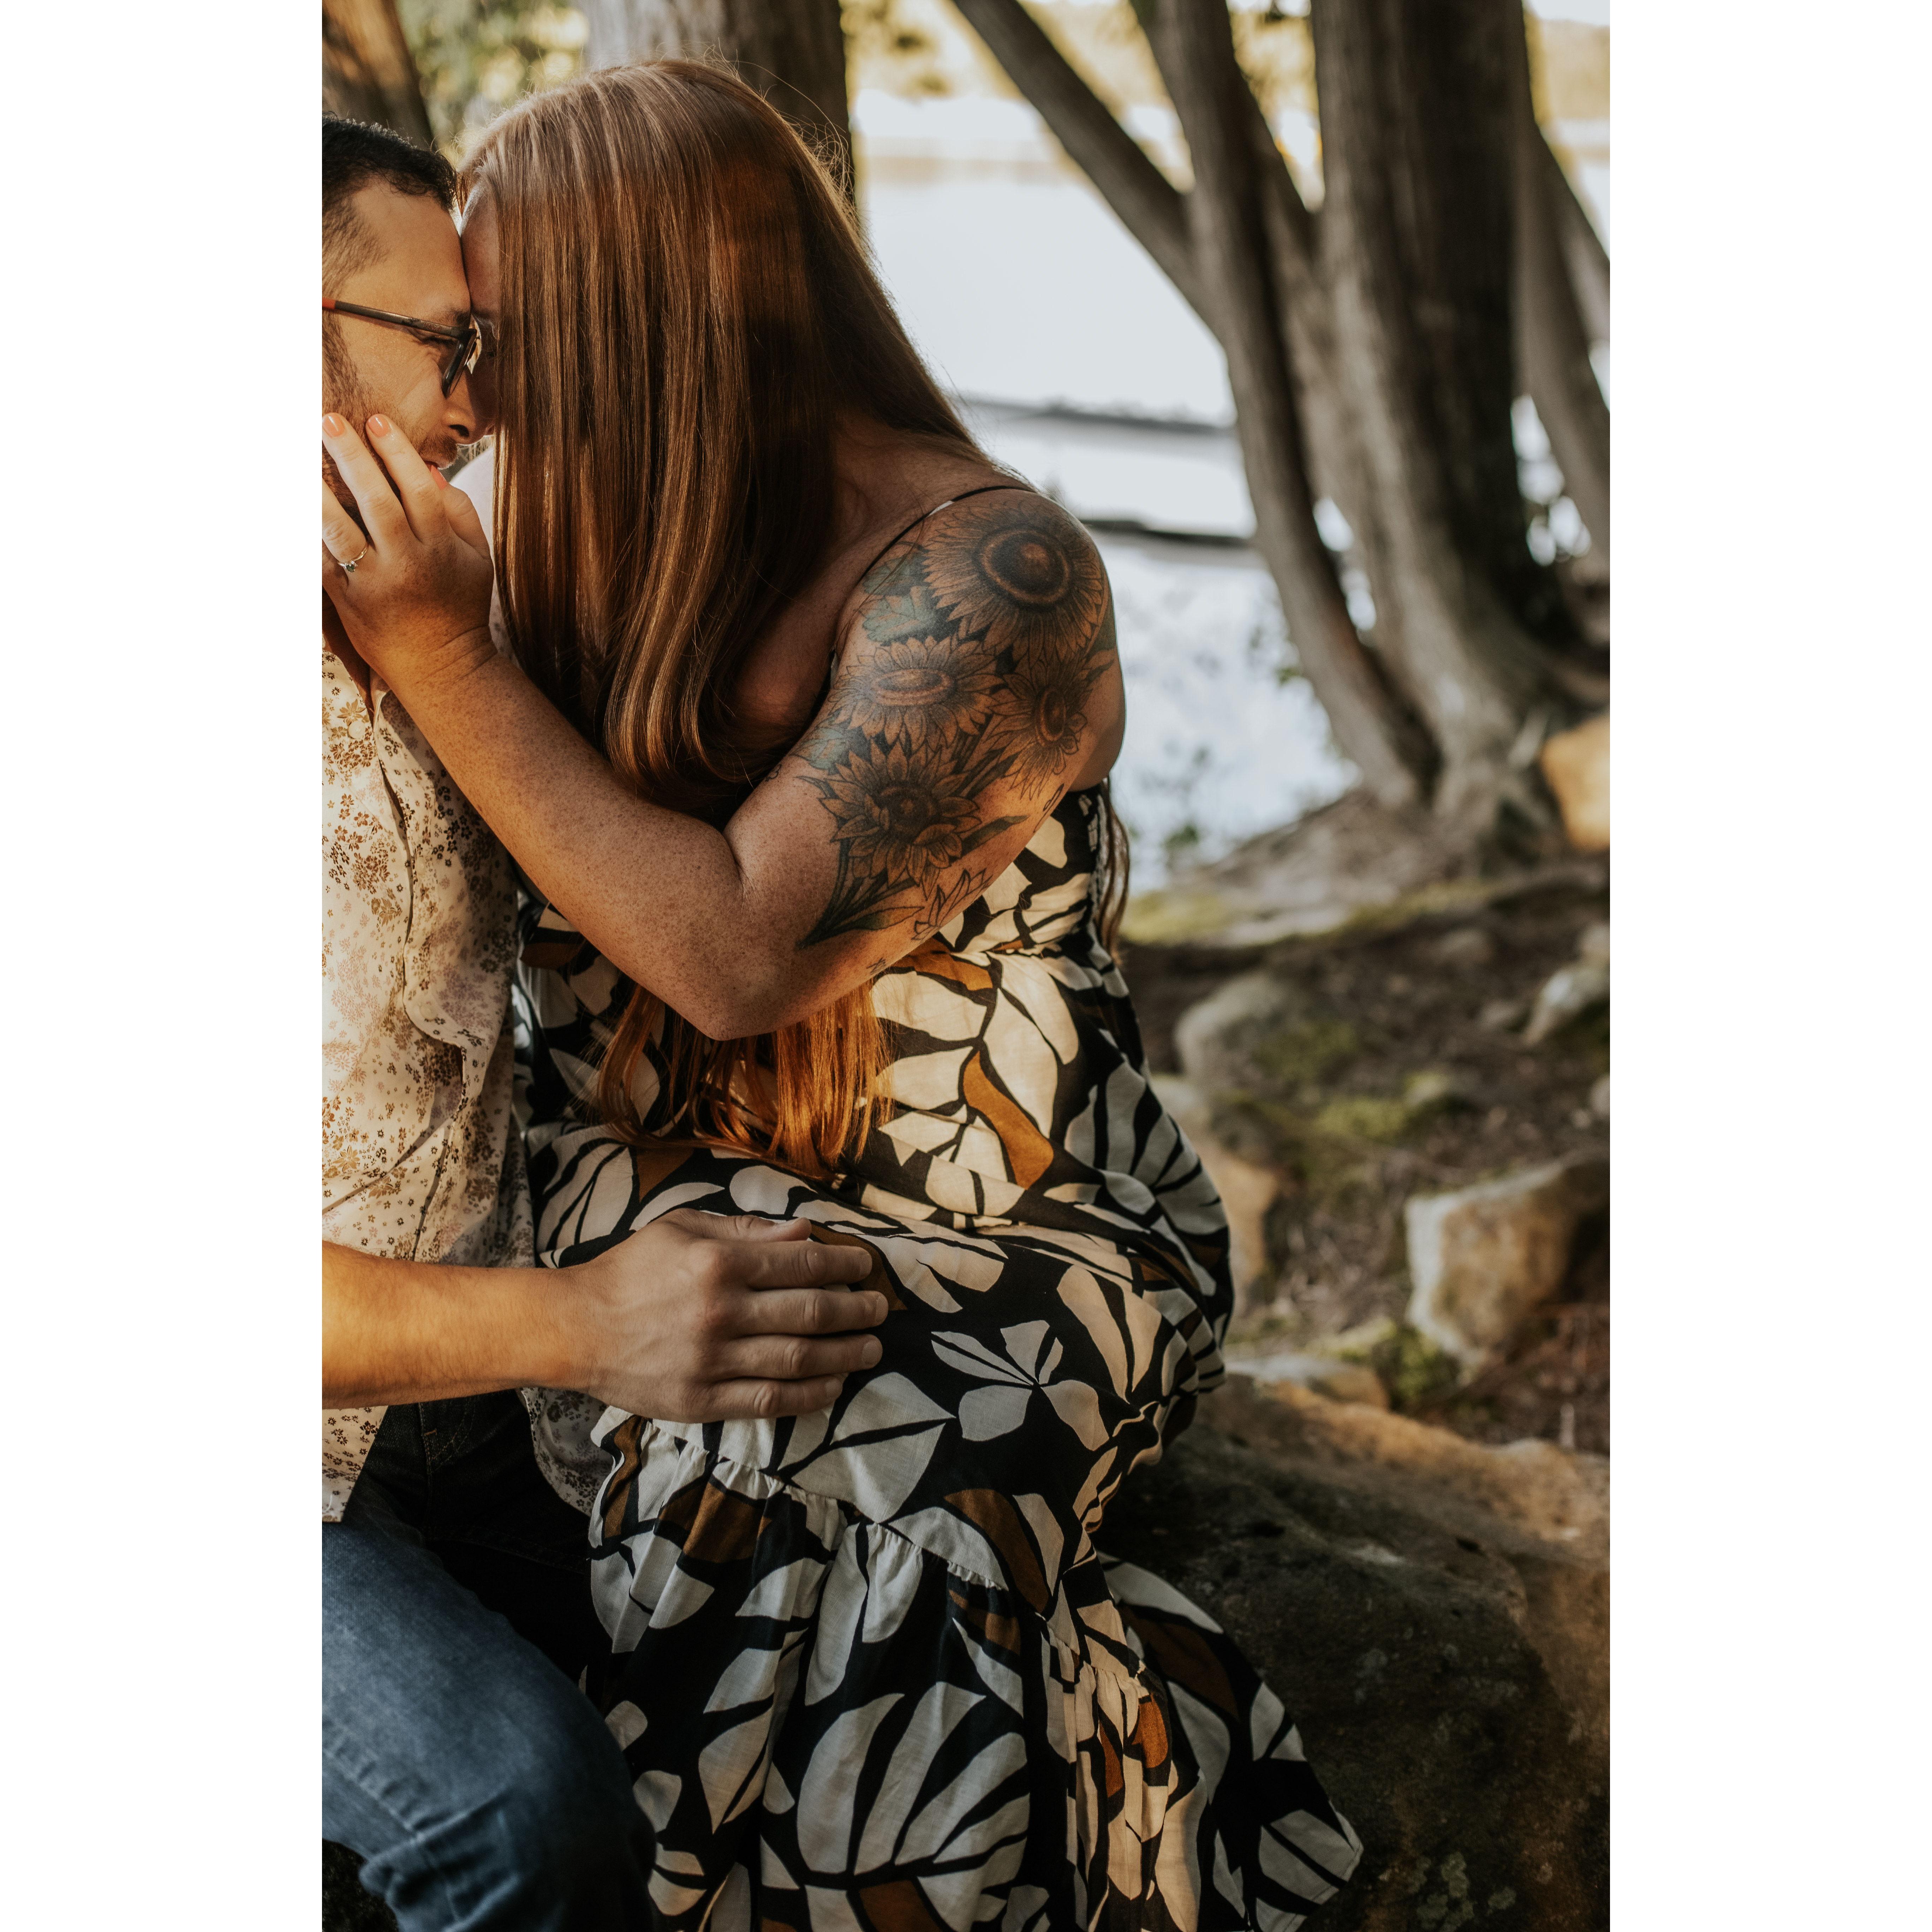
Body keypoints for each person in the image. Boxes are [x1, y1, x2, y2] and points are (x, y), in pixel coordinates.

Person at [323, 63, 1361, 1927]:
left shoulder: (992, 577)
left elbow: (732, 956)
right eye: (455, 345)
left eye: (504, 340)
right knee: (737, 1432)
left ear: (642, 323)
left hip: (1000, 1206)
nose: (477, 403)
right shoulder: (560, 539)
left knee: (879, 1481)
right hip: (654, 1182)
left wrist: (447, 658)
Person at [320, 114, 887, 1931]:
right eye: (449, 345)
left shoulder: (420, 599)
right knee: (522, 1811)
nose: (481, 406)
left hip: (444, 1414)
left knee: (789, 1672)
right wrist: (585, 1325)